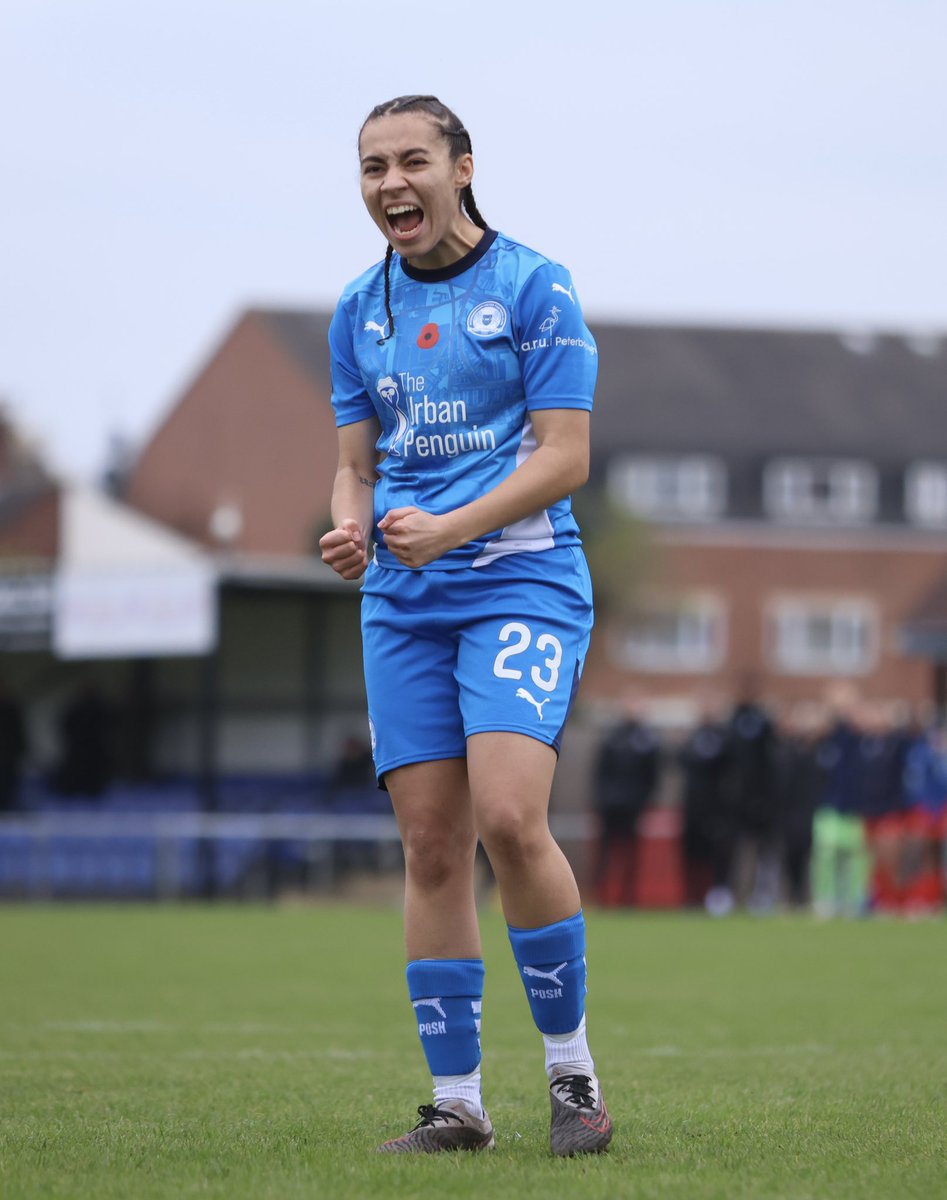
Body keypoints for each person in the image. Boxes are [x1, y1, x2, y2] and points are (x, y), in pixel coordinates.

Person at [319, 95, 611, 1156]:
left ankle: (573, 1080)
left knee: (508, 819)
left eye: (409, 162)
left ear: (461, 167)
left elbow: (564, 456)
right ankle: (458, 1105)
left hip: (518, 580)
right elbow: (355, 468)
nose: (389, 184)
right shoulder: (359, 306)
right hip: (403, 598)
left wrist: (447, 529)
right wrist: (349, 530)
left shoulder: (535, 285)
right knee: (430, 844)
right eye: (369, 168)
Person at [593, 687, 660, 906]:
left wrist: (644, 804)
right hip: (610, 805)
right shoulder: (613, 737)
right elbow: (600, 772)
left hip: (634, 807)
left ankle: (629, 897)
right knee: (606, 853)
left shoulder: (648, 740)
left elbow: (652, 776)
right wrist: (601, 799)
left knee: (632, 853)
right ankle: (603, 896)